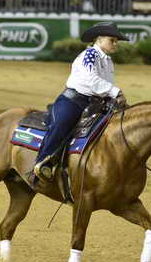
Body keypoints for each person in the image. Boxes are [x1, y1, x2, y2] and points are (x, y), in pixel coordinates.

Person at [32, 22, 129, 183]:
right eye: (112, 40)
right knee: (62, 123)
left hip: (96, 104)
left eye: (116, 41)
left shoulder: (108, 61)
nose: (115, 43)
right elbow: (90, 79)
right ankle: (42, 164)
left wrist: (113, 99)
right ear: (99, 39)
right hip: (73, 101)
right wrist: (115, 92)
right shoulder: (90, 54)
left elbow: (102, 85)